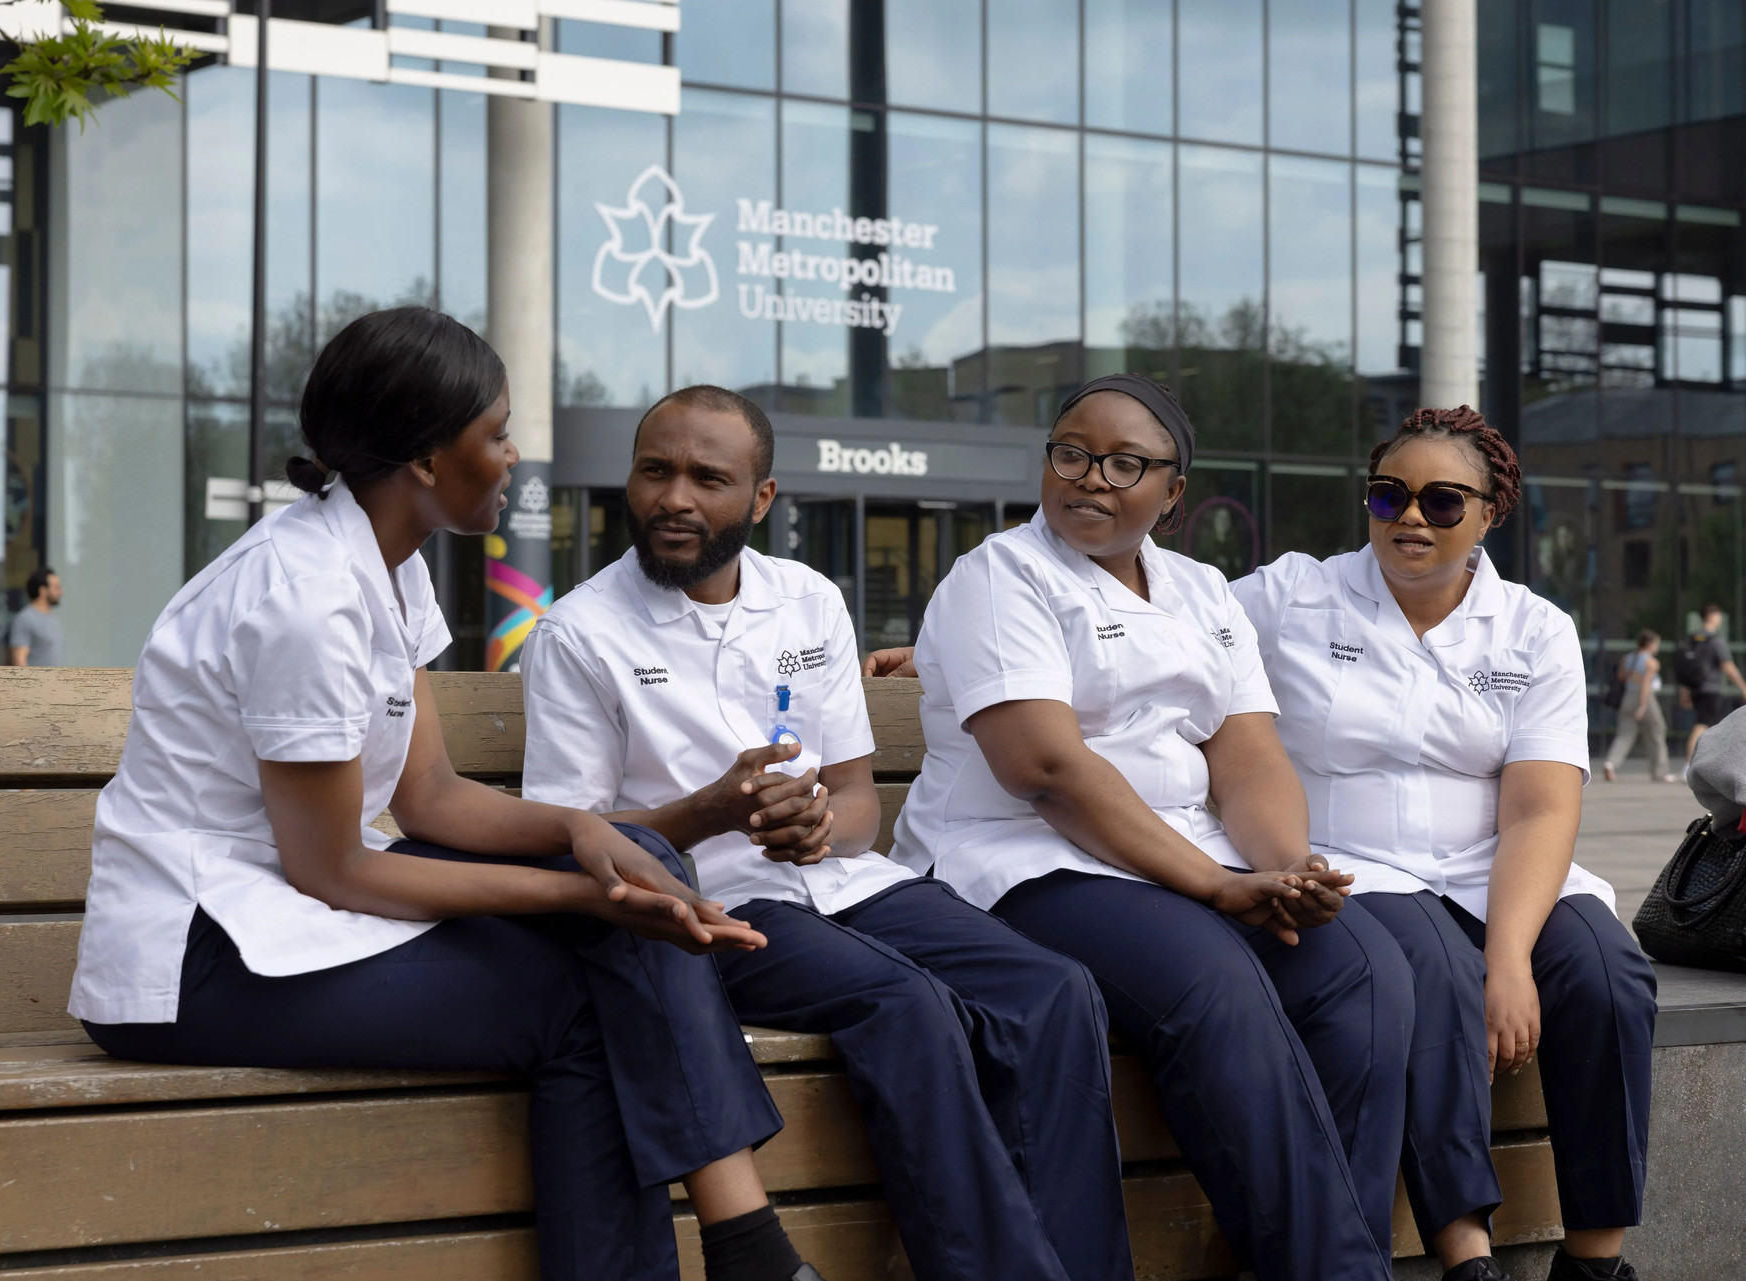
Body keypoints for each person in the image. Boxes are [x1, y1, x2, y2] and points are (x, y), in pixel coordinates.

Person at [67, 311, 821, 1281]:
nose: (513, 456)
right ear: (427, 459)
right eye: (496, 433)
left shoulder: (390, 567)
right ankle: (751, 1249)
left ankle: (749, 1249)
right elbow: (335, 869)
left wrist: (584, 832)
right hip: (194, 956)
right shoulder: (305, 601)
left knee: (640, 859)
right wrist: (582, 894)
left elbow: (428, 796)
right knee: (580, 1001)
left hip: (290, 911)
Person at [520, 385, 1134, 1281]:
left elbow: (856, 801)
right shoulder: (580, 631)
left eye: (707, 478)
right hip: (713, 911)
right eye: (655, 471)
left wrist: (820, 826)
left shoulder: (807, 599)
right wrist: (709, 812)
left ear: (761, 498)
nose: (674, 498)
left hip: (849, 884)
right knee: (908, 1005)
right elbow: (572, 833)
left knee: (1055, 990)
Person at [872, 374, 1414, 1281]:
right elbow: (1047, 771)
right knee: (1214, 978)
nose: (1091, 477)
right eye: (1072, 454)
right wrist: (1216, 886)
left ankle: (1306, 1260)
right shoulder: (999, 577)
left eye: (1126, 463)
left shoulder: (1201, 590)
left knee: (1362, 970)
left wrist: (1290, 871)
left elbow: (1248, 757)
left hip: (1185, 855)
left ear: (1172, 493)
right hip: (1024, 859)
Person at [1229, 406, 1657, 1281]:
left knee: (1609, 974)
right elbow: (1161, 627)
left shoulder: (1534, 628)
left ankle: (1595, 1259)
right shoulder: (1291, 596)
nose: (1411, 517)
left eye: (1442, 500)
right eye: (1388, 496)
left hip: (1495, 861)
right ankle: (1468, 1254)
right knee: (1433, 967)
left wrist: (1511, 960)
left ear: (1490, 513)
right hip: (1357, 862)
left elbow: (1539, 811)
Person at [1677, 604, 1746, 762]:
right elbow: (1727, 666)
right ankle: (1689, 764)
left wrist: (1685, 691)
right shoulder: (1715, 640)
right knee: (1702, 725)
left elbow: (1688, 666)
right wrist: (1743, 686)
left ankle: (1703, 763)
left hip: (1695, 688)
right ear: (1712, 616)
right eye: (1718, 615)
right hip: (1711, 689)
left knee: (1707, 725)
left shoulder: (1691, 639)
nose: (1720, 619)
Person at [1603, 631, 1674, 784]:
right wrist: (1642, 706)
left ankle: (1610, 763)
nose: (1657, 647)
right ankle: (1660, 771)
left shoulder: (1628, 658)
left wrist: (1634, 675)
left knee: (1625, 733)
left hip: (1628, 696)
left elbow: (1621, 676)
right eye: (1656, 643)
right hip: (1645, 698)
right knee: (1657, 731)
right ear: (1650, 644)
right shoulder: (1651, 662)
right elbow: (1646, 685)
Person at [10, 566, 63, 666]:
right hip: (35, 677)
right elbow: (20, 661)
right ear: (43, 591)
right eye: (56, 588)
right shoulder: (25, 619)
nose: (61, 592)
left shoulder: (53, 618)